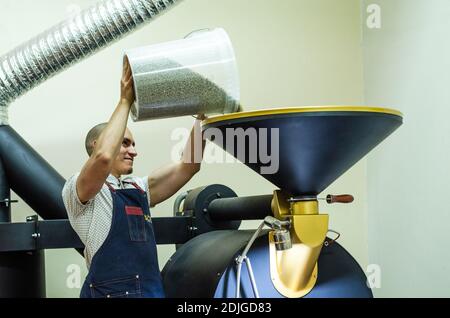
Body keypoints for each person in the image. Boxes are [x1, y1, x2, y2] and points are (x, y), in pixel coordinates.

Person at [62, 58, 205, 298]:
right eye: (125, 143)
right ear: (98, 144)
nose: (134, 151)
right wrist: (125, 100)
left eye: (134, 145)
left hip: (151, 292)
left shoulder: (138, 187)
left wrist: (203, 118)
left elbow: (189, 166)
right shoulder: (78, 189)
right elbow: (103, 158)